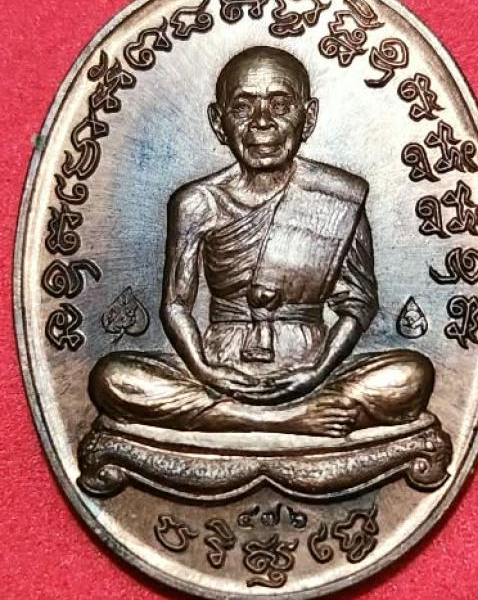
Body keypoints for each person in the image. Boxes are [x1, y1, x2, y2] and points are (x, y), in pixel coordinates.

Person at [89, 46, 434, 437]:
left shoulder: (339, 195)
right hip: (219, 368)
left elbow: (359, 304)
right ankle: (281, 420)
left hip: (312, 367)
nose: (262, 123)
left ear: (308, 117)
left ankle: (233, 417)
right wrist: (204, 369)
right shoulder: (197, 202)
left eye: (281, 105)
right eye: (242, 108)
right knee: (111, 377)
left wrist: (317, 371)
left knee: (412, 375)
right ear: (219, 123)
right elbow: (176, 304)